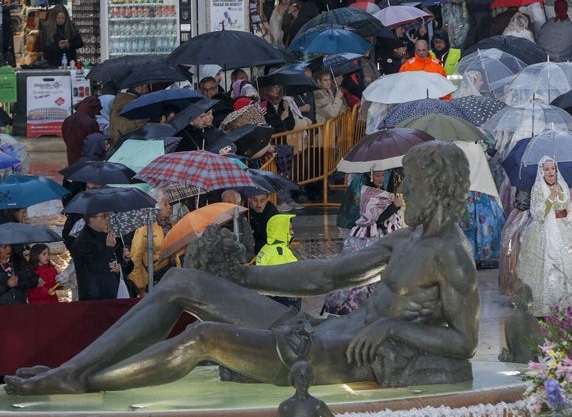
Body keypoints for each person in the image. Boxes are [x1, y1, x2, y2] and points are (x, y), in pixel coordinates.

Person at [6, 141, 480, 395]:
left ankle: (80, 382)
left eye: (411, 181)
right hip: (315, 329)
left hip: (329, 358)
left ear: (436, 187)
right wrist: (241, 276)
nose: (403, 189)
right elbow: (326, 276)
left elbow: (464, 342)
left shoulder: (450, 254)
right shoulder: (407, 237)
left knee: (203, 338)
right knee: (181, 280)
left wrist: (395, 333)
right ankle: (73, 368)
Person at [322, 170, 405, 316]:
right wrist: (395, 206)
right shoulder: (368, 192)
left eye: (382, 175)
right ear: (371, 176)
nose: (380, 178)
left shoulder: (384, 192)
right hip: (368, 237)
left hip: (384, 235)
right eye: (377, 175)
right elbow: (375, 218)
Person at [517, 158, 572, 317]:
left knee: (571, 262)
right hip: (544, 230)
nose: (550, 172)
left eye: (553, 169)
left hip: (564, 228)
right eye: (547, 169)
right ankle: (547, 303)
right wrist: (551, 196)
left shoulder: (562, 185)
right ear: (542, 172)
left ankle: (570, 303)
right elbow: (538, 214)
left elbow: (566, 206)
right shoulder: (538, 189)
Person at [69, 211, 133, 300]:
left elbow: (125, 267)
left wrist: (124, 262)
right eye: (104, 216)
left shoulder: (108, 236)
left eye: (107, 215)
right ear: (91, 219)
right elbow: (94, 268)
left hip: (114, 292)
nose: (107, 218)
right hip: (95, 297)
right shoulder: (82, 242)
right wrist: (109, 248)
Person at [62, 95, 102, 166]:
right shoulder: (91, 122)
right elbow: (95, 143)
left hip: (71, 156)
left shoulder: (67, 120)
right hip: (87, 159)